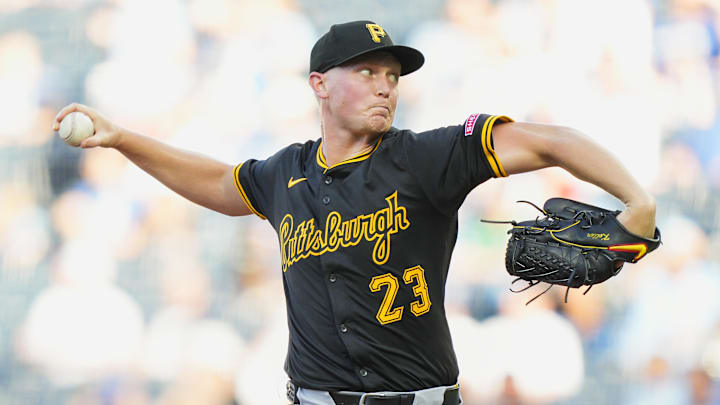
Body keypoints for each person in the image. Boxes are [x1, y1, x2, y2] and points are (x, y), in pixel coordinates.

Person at [54, 20, 657, 405]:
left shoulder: (426, 158)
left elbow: (551, 139)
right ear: (319, 84)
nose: (384, 86)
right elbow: (216, 182)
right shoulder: (282, 173)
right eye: (367, 71)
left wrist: (639, 200)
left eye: (391, 76)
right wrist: (122, 138)